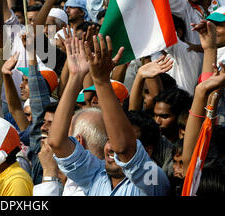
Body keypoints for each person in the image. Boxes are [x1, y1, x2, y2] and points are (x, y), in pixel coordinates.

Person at [48, 32, 170, 195]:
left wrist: (101, 80)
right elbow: (56, 142)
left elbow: (124, 148)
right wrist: (76, 76)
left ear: (147, 152)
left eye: (126, 137)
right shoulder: (95, 175)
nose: (112, 147)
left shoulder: (154, 179)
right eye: (109, 138)